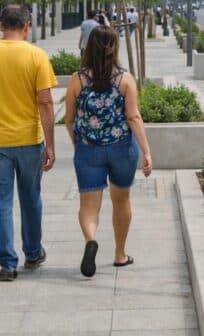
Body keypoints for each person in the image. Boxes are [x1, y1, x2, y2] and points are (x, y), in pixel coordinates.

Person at [0, 5, 57, 281]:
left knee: (1, 202)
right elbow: (45, 101)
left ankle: (7, 263)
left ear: (0, 25)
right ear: (26, 26)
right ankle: (33, 252)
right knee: (31, 198)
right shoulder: (37, 56)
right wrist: (50, 145)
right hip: (29, 140)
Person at [64, 27, 153, 278]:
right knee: (121, 200)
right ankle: (120, 254)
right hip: (122, 149)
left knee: (89, 206)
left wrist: (78, 143)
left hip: (88, 150)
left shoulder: (77, 79)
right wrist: (147, 151)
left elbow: (69, 120)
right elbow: (133, 117)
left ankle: (91, 239)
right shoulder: (125, 80)